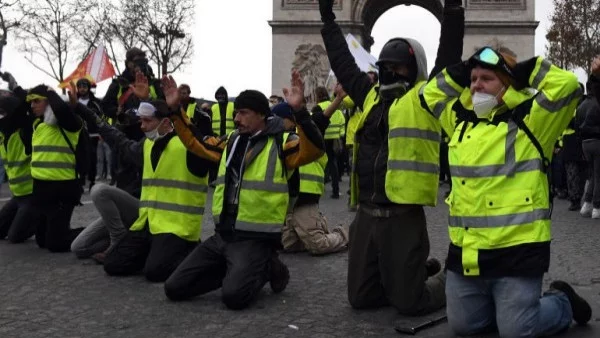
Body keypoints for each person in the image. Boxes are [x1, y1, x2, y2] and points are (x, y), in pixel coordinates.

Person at [422, 44, 591, 336]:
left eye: (486, 78)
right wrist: (465, 68)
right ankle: (503, 309)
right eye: (472, 79)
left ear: (507, 83)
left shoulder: (534, 119)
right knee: (464, 326)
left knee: (516, 332)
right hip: (469, 252)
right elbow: (429, 93)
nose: (476, 85)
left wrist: (521, 69)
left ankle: (561, 300)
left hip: (518, 252)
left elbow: (568, 86)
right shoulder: (458, 120)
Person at [317, 0, 464, 315]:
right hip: (366, 215)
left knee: (411, 304)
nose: (388, 72)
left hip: (403, 217)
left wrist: (452, 10)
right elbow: (343, 63)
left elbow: (449, 57)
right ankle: (409, 273)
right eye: (384, 67)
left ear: (414, 72)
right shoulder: (369, 96)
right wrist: (328, 18)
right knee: (361, 298)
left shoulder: (425, 98)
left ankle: (451, 279)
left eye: (397, 68)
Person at [162, 71, 325, 310]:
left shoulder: (282, 143)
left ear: (261, 115)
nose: (236, 118)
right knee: (174, 288)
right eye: (236, 112)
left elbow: (314, 150)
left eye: (243, 113)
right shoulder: (231, 141)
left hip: (255, 239)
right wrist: (176, 111)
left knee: (234, 297)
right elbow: (197, 142)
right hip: (223, 235)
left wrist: (300, 112)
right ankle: (238, 269)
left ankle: (267, 265)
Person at [79, 94, 211, 281]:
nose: (142, 126)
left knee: (155, 272)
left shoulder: (188, 148)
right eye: (141, 120)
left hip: (177, 228)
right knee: (113, 265)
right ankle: (155, 254)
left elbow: (200, 139)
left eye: (147, 121)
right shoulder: (147, 145)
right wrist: (86, 113)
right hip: (148, 224)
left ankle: (193, 250)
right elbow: (120, 142)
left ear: (166, 123)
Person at [273, 92, 348, 255]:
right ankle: (314, 226)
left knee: (318, 246)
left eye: (278, 118)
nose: (275, 121)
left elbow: (323, 117)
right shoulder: (277, 137)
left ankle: (345, 234)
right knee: (286, 246)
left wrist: (338, 99)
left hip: (306, 197)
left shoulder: (306, 131)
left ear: (290, 118)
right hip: (289, 202)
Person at [26, 84, 85, 252]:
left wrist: (50, 91)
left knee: (56, 244)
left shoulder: (70, 123)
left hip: (63, 188)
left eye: (37, 101)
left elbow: (61, 110)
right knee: (42, 241)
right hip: (42, 189)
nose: (32, 105)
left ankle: (96, 234)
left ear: (50, 102)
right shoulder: (39, 125)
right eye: (31, 102)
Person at [0, 81, 41, 243]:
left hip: (33, 194)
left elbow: (27, 108)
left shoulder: (26, 131)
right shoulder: (3, 136)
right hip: (17, 195)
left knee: (15, 237)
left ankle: (43, 219)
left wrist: (16, 88)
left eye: (2, 112)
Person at [312, 86, 345, 199]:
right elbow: (342, 122)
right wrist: (339, 135)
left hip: (322, 138)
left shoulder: (318, 107)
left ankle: (320, 185)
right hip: (334, 139)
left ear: (318, 96)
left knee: (321, 164)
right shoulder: (335, 107)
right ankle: (335, 189)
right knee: (333, 164)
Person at [76, 77, 103, 192]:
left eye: (84, 87)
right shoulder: (73, 101)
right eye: (80, 87)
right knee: (78, 158)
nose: (82, 89)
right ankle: (80, 181)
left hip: (93, 135)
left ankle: (92, 181)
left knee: (92, 159)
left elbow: (101, 119)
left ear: (88, 88)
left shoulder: (96, 103)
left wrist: (102, 133)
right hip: (77, 135)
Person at [580, 70, 600, 218]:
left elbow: (576, 126)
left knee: (591, 175)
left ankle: (586, 204)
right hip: (597, 142)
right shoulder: (596, 104)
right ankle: (596, 207)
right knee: (597, 175)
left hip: (584, 144)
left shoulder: (580, 106)